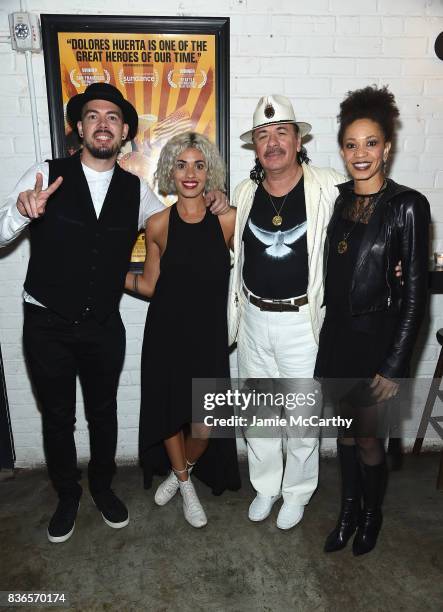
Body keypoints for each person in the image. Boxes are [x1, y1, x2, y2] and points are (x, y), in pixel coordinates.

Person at [0, 83, 229, 543]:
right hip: (47, 323)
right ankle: (67, 495)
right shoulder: (47, 173)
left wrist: (214, 202)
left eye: (112, 117)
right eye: (92, 115)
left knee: (103, 414)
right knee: (58, 417)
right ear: (79, 127)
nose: (102, 123)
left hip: (103, 324)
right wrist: (22, 213)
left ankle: (103, 489)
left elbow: (177, 229)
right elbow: (1, 234)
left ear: (123, 131)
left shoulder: (137, 192)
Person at [314, 85, 430, 555]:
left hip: (376, 342)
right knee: (343, 433)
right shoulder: (339, 200)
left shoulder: (408, 205)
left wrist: (396, 364)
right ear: (342, 150)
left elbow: (417, 295)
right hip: (337, 338)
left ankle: (370, 514)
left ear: (387, 147)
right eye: (351, 144)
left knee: (367, 438)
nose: (361, 154)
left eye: (371, 143)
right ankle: (345, 511)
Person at [227, 95, 346, 529]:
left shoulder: (328, 186)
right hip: (254, 320)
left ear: (298, 140)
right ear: (255, 147)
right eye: (263, 135)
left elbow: (370, 222)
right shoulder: (243, 192)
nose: (272, 142)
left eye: (281, 133)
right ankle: (265, 487)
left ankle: (296, 493)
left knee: (301, 417)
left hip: (303, 322)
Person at [125, 132, 240, 528]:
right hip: (166, 335)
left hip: (208, 339)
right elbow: (151, 285)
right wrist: (111, 275)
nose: (190, 174)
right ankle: (186, 487)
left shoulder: (228, 219)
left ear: (210, 172)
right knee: (170, 416)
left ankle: (181, 472)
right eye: (181, 164)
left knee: (204, 427)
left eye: (199, 164)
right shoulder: (157, 224)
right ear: (169, 171)